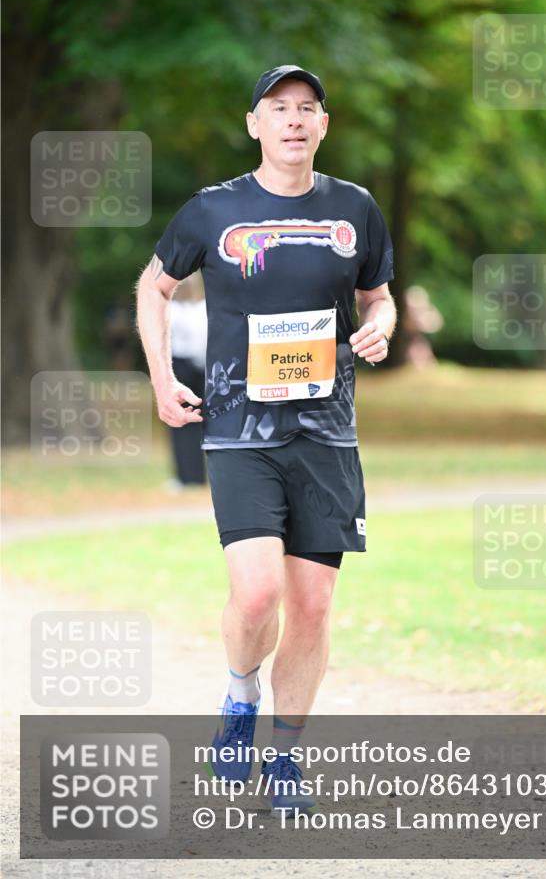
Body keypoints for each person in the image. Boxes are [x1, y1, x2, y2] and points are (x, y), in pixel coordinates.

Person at [135, 64, 396, 815]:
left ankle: (285, 758)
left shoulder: (355, 208)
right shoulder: (212, 211)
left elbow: (377, 299)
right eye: (277, 108)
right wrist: (161, 378)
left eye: (306, 109)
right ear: (254, 124)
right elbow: (154, 285)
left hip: (326, 437)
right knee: (255, 595)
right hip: (238, 433)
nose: (292, 120)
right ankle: (238, 694)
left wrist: (377, 329)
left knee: (311, 607)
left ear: (322, 125)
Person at [166, 273, 208, 489]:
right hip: (200, 367)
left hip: (180, 367)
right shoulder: (204, 309)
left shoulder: (172, 311)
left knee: (181, 424)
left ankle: (186, 476)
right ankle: (197, 475)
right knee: (198, 421)